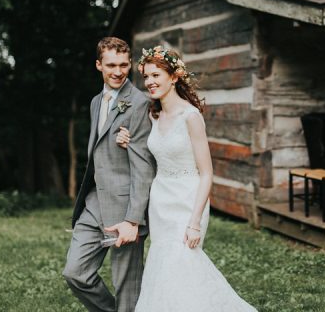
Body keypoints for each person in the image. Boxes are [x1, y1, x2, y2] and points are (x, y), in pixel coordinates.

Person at [116, 45, 256, 311]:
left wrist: (194, 222)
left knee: (182, 263)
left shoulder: (190, 117)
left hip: (188, 200)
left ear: (174, 77)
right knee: (165, 268)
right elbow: (148, 152)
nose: (150, 82)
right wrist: (126, 140)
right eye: (146, 77)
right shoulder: (153, 115)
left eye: (156, 75)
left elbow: (207, 173)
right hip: (161, 201)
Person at [62, 37, 155, 312]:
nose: (118, 71)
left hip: (125, 208)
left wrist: (133, 219)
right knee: (75, 272)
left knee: (127, 286)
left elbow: (144, 165)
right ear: (98, 65)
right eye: (111, 65)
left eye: (124, 65)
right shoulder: (95, 102)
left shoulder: (139, 103)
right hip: (94, 203)